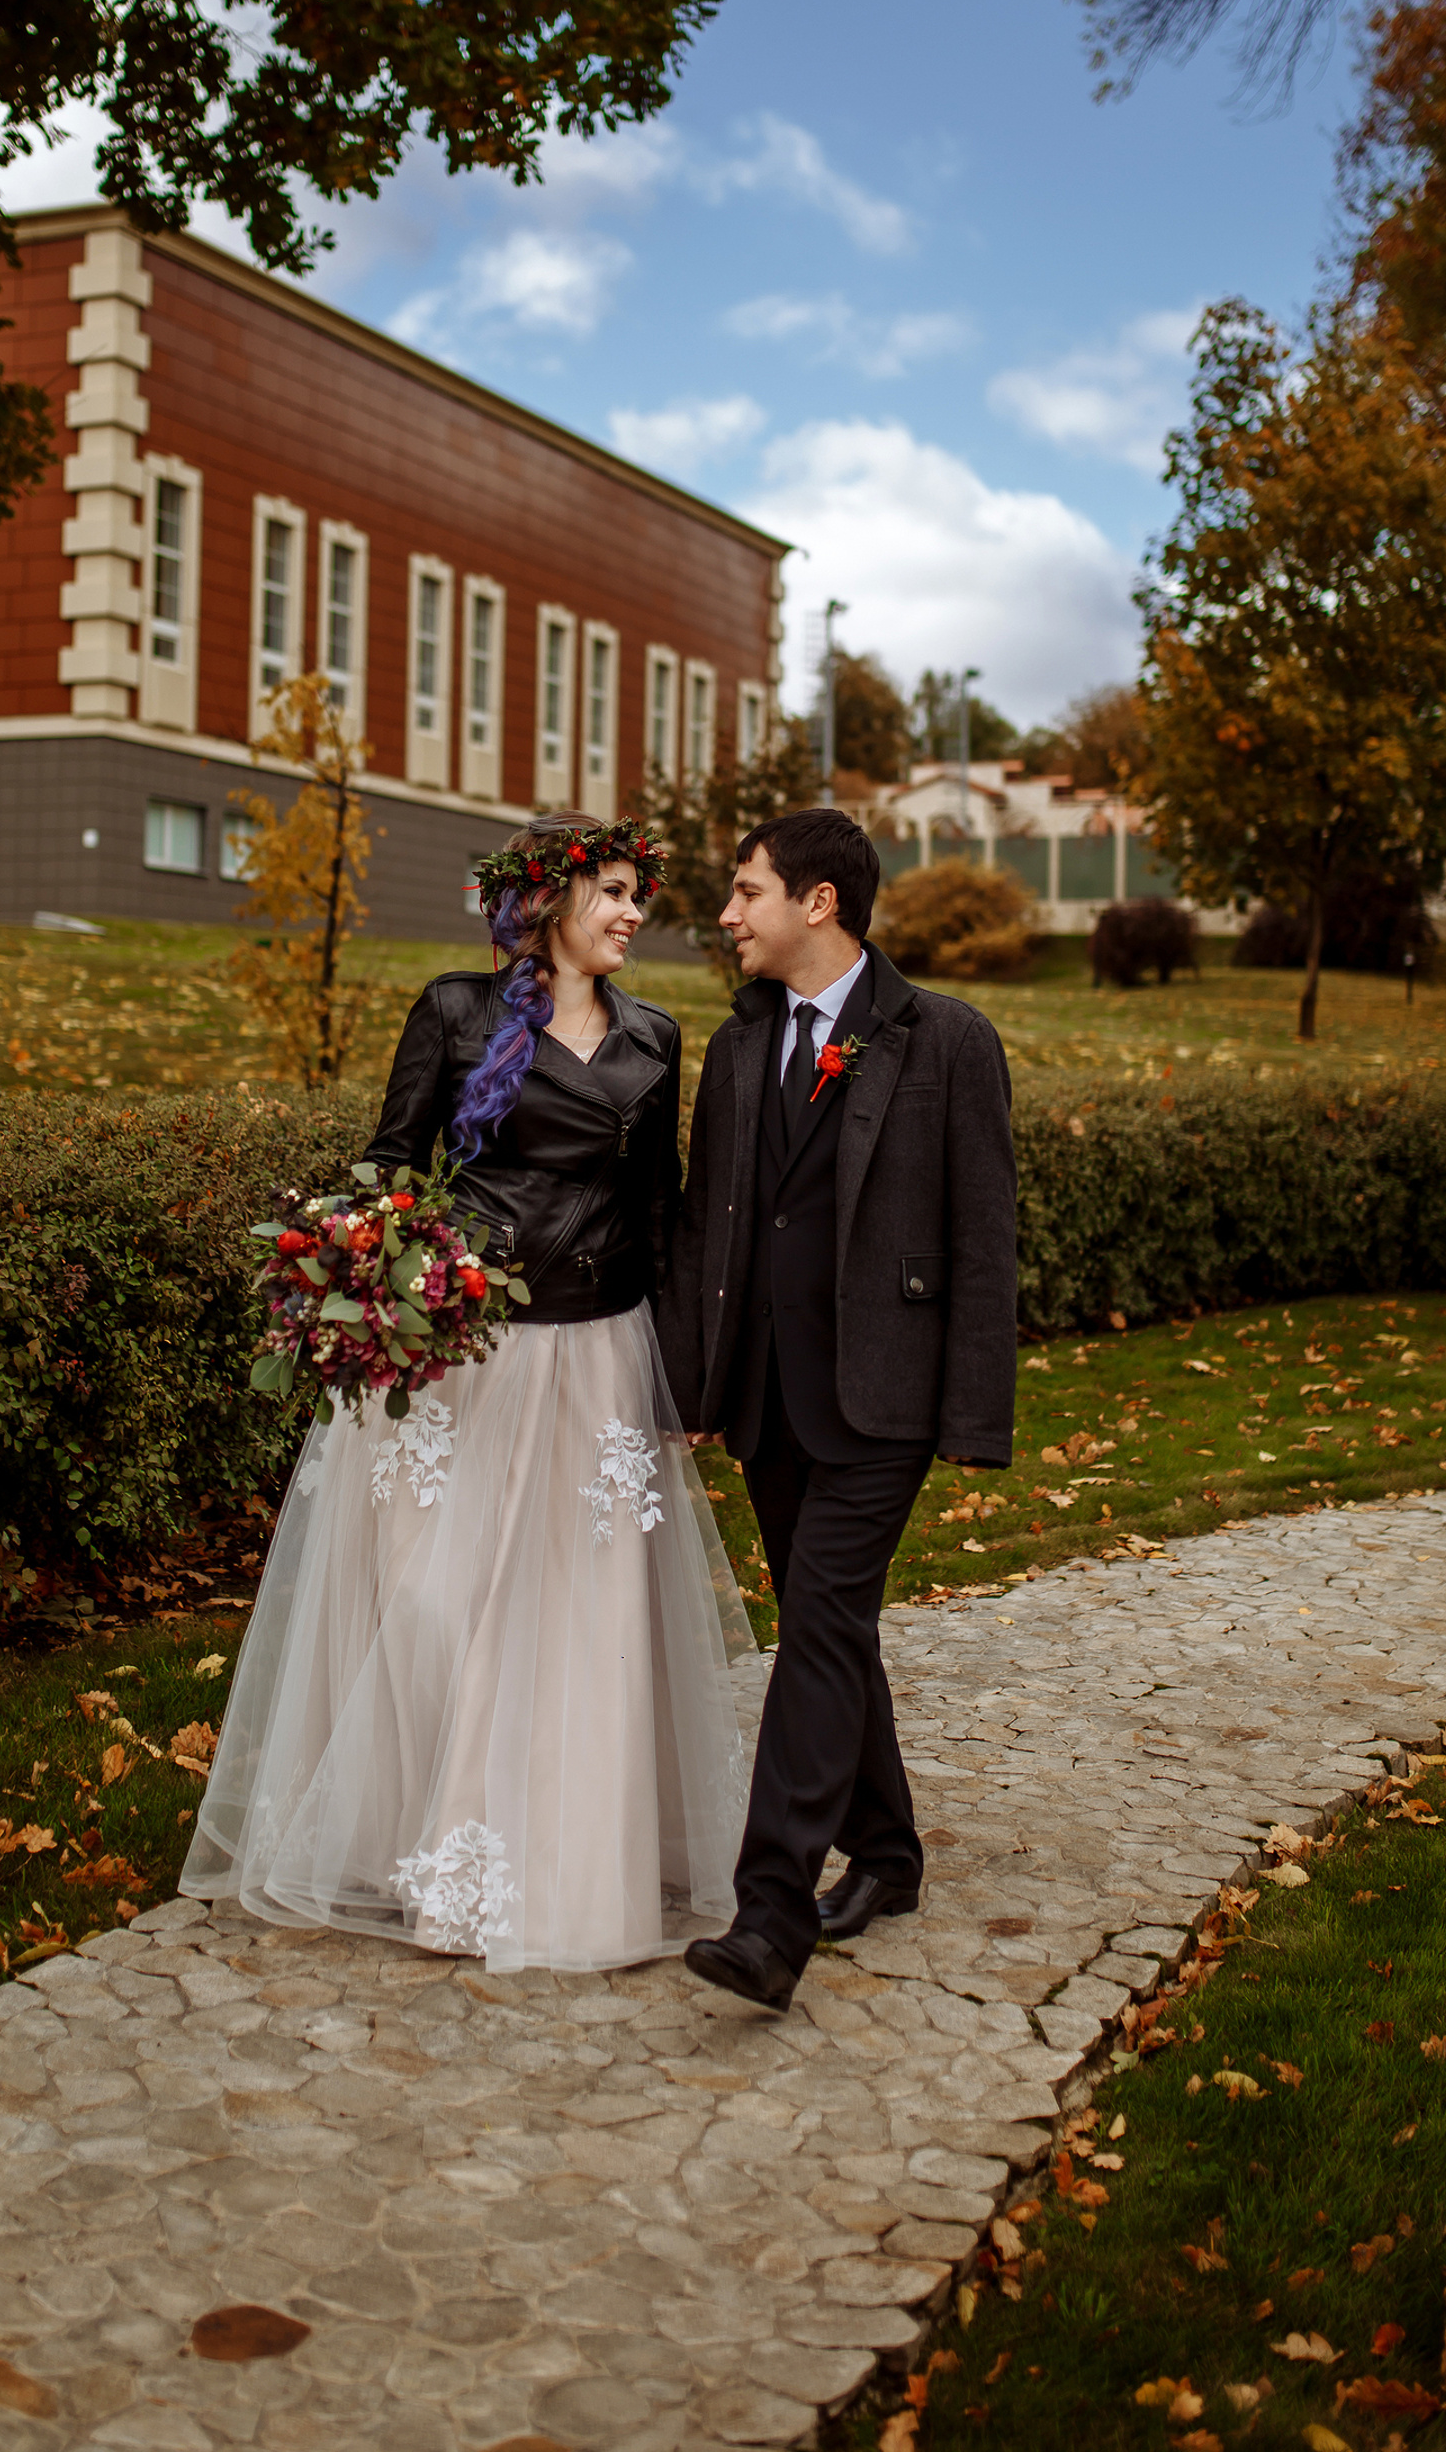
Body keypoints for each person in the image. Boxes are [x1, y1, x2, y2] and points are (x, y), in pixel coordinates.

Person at [182, 814, 755, 1971]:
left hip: (597, 1353)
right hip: (465, 1358)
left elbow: (663, 1212)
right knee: (438, 1602)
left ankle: (572, 1874)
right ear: (545, 903)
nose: (633, 913)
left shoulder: (656, 1033)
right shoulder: (454, 1011)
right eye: (612, 892)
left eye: (638, 894)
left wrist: (681, 1370)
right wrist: (383, 1274)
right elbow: (392, 1166)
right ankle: (417, 1839)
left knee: (581, 1616)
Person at [658, 807, 1017, 2013]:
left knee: (814, 1625)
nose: (726, 914)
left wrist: (974, 1414)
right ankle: (892, 1855)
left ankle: (769, 1918)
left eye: (745, 890)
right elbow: (714, 1225)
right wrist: (699, 1378)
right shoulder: (740, 1042)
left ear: (818, 903)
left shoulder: (946, 1041)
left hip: (881, 1402)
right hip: (769, 1400)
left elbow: (983, 1239)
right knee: (834, 1630)